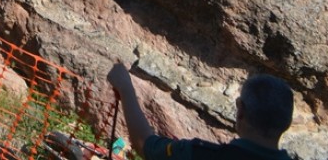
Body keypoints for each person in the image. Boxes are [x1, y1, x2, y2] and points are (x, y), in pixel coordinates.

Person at [107, 63, 295, 160]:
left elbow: (146, 145)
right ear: (286, 123)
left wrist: (126, 88)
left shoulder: (198, 155)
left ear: (240, 112)